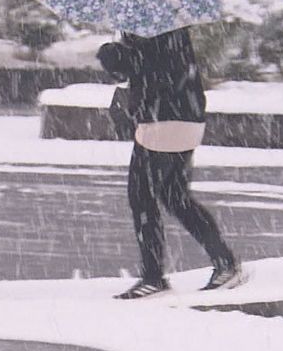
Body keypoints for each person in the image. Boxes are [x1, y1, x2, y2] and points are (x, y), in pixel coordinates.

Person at [97, 28, 242, 299]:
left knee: (142, 198)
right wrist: (119, 58)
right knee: (175, 197)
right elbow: (145, 71)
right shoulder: (164, 24)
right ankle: (224, 262)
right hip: (184, 118)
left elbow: (154, 71)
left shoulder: (153, 27)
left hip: (164, 121)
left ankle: (153, 277)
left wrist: (118, 56)